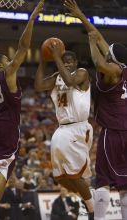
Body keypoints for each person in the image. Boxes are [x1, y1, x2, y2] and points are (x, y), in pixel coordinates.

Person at [64, 0, 127, 219]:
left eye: (108, 52)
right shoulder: (122, 68)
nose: (105, 50)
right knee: (124, 182)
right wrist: (81, 15)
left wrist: (91, 44)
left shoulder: (113, 70)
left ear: (113, 57)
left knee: (104, 180)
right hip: (124, 130)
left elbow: (99, 62)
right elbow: (100, 37)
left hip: (115, 131)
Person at [0, 1, 44, 219]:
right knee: (2, 169)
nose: (11, 63)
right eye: (7, 61)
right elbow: (24, 47)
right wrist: (32, 16)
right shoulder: (7, 73)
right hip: (7, 126)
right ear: (1, 65)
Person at [35, 46, 94, 219]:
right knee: (60, 177)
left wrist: (57, 58)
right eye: (64, 62)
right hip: (61, 129)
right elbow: (38, 86)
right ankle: (88, 196)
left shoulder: (82, 73)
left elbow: (69, 81)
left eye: (70, 62)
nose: (67, 65)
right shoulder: (56, 77)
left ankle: (91, 210)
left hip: (78, 127)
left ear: (76, 63)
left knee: (75, 175)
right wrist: (43, 61)